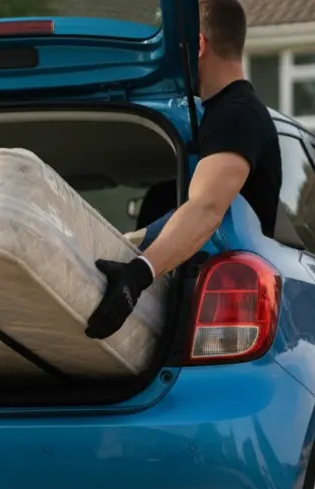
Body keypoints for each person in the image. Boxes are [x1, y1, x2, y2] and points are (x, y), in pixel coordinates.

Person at [86, 0, 282, 340]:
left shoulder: (237, 115)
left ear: (200, 45)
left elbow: (206, 209)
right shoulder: (220, 115)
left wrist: (137, 275)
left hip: (222, 324)